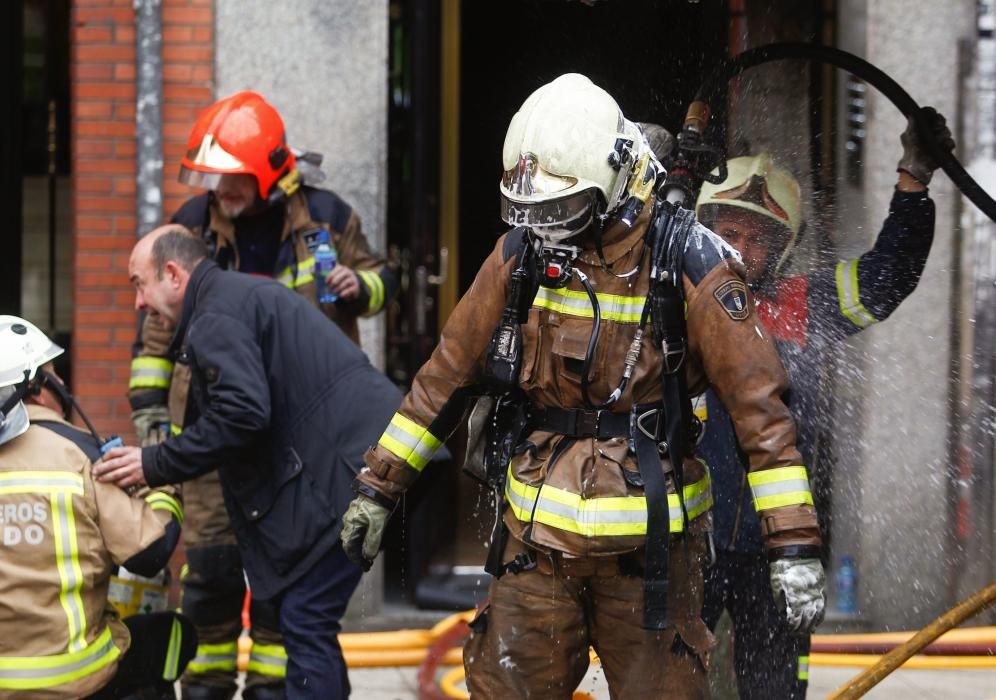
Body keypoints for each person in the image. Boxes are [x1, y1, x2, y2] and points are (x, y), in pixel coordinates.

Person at [338, 72, 826, 699]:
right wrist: (377, 487)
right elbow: (445, 377)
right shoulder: (520, 255)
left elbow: (763, 415)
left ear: (616, 182)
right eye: (533, 213)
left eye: (561, 210)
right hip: (534, 549)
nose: (549, 230)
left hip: (652, 558)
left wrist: (792, 545)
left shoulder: (694, 261)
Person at [126, 90, 398, 700]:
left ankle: (275, 691)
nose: (220, 192)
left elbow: (385, 278)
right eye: (213, 179)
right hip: (217, 424)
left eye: (234, 179)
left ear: (270, 171)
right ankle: (208, 685)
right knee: (214, 567)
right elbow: (155, 335)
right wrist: (152, 422)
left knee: (288, 570)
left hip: (299, 428)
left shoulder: (326, 215)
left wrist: (362, 287)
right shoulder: (190, 227)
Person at [694, 108, 955, 699]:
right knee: (666, 682)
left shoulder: (804, 303)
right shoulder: (676, 296)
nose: (737, 250)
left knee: (775, 689)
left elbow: (889, 275)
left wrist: (913, 180)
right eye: (727, 232)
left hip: (779, 549)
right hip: (693, 540)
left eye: (756, 238)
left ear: (784, 248)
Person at [0, 315, 195, 699]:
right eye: (56, 376)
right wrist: (161, 490)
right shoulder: (82, 453)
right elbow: (149, 553)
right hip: (76, 681)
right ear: (38, 389)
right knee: (170, 636)